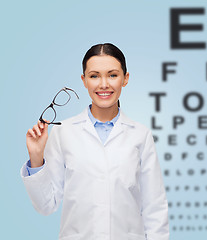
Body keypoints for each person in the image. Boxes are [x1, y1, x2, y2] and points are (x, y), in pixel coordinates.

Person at [20, 43, 170, 240]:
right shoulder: (63, 133)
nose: (104, 84)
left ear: (125, 79)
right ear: (84, 80)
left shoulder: (140, 135)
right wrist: (36, 159)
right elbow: (46, 205)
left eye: (113, 75)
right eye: (94, 76)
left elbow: (155, 209)